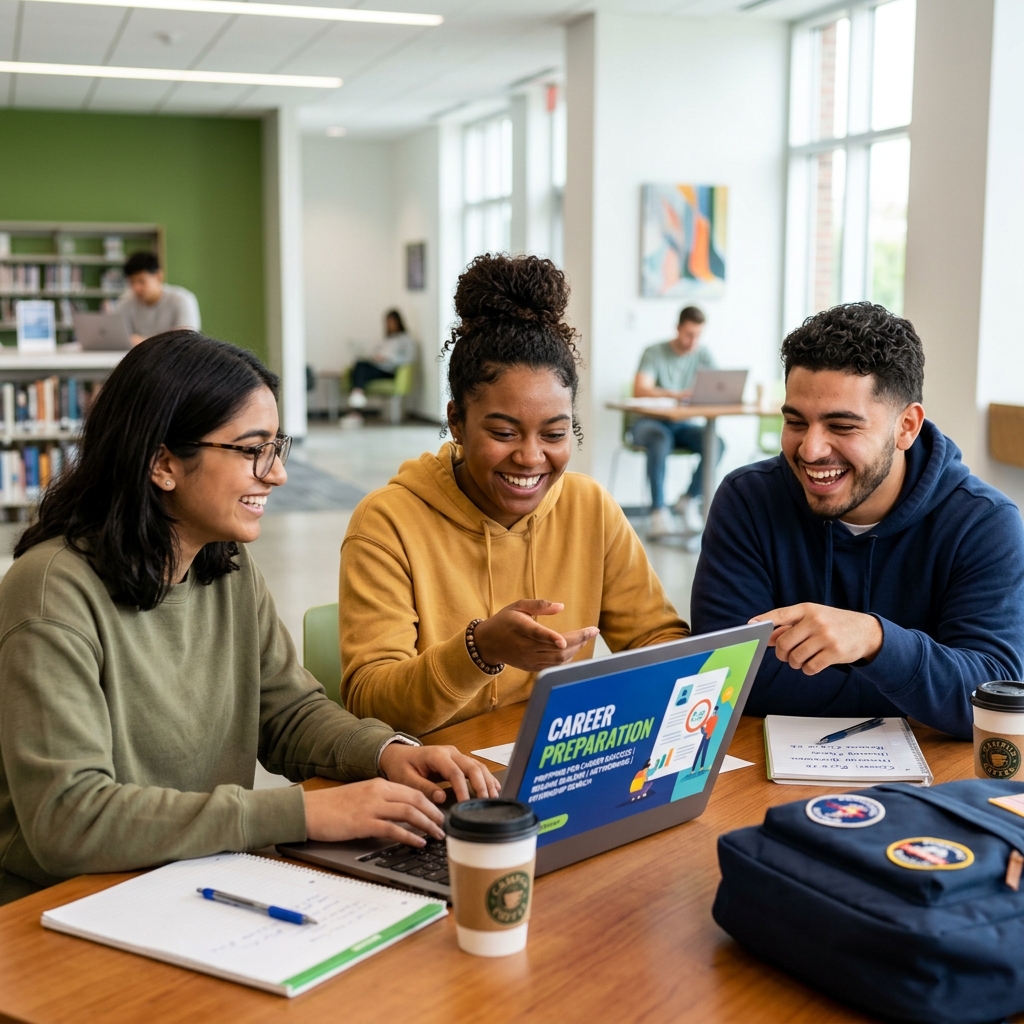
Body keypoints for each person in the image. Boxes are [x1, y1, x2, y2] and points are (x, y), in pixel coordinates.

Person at [0, 331, 497, 906]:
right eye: (251, 449)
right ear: (163, 463)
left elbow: (287, 713)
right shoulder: (49, 595)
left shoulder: (225, 565)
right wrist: (301, 813)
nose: (278, 473)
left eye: (276, 446)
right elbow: (70, 818)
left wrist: (388, 754)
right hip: (66, 908)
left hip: (191, 881)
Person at [339, 254, 689, 736]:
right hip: (434, 780)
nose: (530, 457)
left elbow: (658, 638)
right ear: (456, 421)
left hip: (558, 765)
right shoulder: (388, 523)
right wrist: (480, 650)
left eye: (554, 433)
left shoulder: (590, 509)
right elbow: (369, 704)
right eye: (504, 433)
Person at [690, 302, 1024, 740]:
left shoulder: (985, 524)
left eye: (841, 426)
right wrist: (920, 688)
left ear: (907, 426)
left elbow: (992, 700)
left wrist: (874, 641)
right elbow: (725, 677)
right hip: (764, 775)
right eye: (795, 421)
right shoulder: (747, 500)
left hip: (933, 782)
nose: (810, 450)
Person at [631, 306, 723, 537]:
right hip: (649, 423)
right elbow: (641, 389)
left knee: (715, 443)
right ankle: (658, 511)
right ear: (678, 328)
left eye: (698, 335)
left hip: (681, 424)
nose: (693, 341)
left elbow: (718, 387)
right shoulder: (654, 352)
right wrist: (676, 394)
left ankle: (689, 499)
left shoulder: (703, 354)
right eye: (689, 334)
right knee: (660, 439)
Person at [116, 252, 201, 346]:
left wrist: (144, 342)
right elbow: (122, 340)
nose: (136, 288)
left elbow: (187, 341)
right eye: (132, 282)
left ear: (158, 276)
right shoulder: (125, 303)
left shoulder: (182, 300)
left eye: (142, 281)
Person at [346, 309, 417, 418]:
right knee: (359, 364)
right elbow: (376, 352)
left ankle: (357, 403)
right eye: (388, 322)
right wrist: (375, 357)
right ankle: (357, 396)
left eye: (392, 322)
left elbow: (409, 358)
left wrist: (389, 358)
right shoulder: (387, 339)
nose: (390, 325)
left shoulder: (406, 339)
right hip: (378, 366)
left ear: (399, 322)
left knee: (361, 371)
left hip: (389, 370)